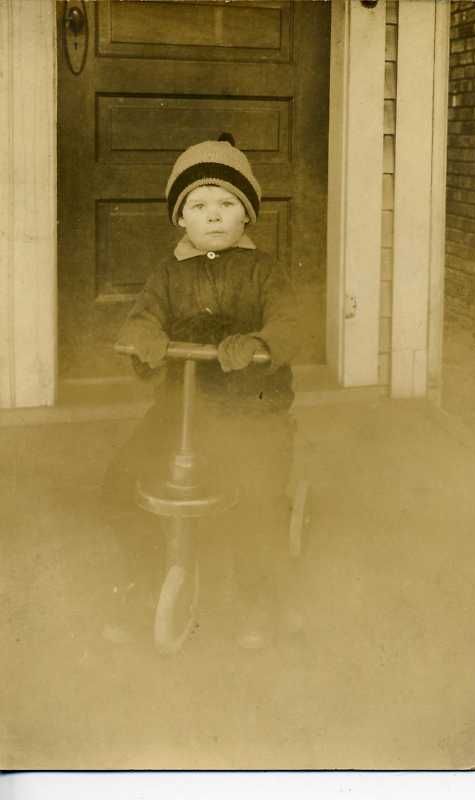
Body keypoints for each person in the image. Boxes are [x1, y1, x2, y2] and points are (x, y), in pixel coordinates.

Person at [101, 133, 299, 649]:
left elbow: (289, 322)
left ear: (247, 215)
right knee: (125, 478)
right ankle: (140, 583)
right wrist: (145, 338)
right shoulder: (168, 275)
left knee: (258, 488)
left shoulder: (264, 271)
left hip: (250, 407)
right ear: (181, 218)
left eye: (227, 203)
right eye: (199, 204)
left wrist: (259, 342)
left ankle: (258, 599)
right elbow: (142, 319)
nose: (213, 215)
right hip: (183, 405)